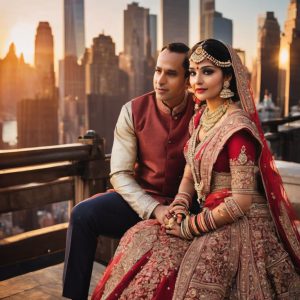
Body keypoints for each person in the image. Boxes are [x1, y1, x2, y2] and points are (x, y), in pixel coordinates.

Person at [91, 39, 300, 300]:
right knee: (140, 238)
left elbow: (241, 202)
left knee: (187, 274)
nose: (197, 80)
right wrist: (179, 206)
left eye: (208, 71)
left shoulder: (237, 129)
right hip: (204, 211)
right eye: (192, 72)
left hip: (237, 221)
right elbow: (190, 174)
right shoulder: (201, 119)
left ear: (226, 78)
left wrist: (189, 227)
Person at [62, 42, 196, 299]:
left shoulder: (202, 112)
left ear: (187, 80)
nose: (160, 79)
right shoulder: (131, 111)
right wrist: (154, 209)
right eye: (158, 71)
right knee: (82, 215)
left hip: (188, 206)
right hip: (140, 202)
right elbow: (120, 174)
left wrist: (181, 207)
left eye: (171, 73)